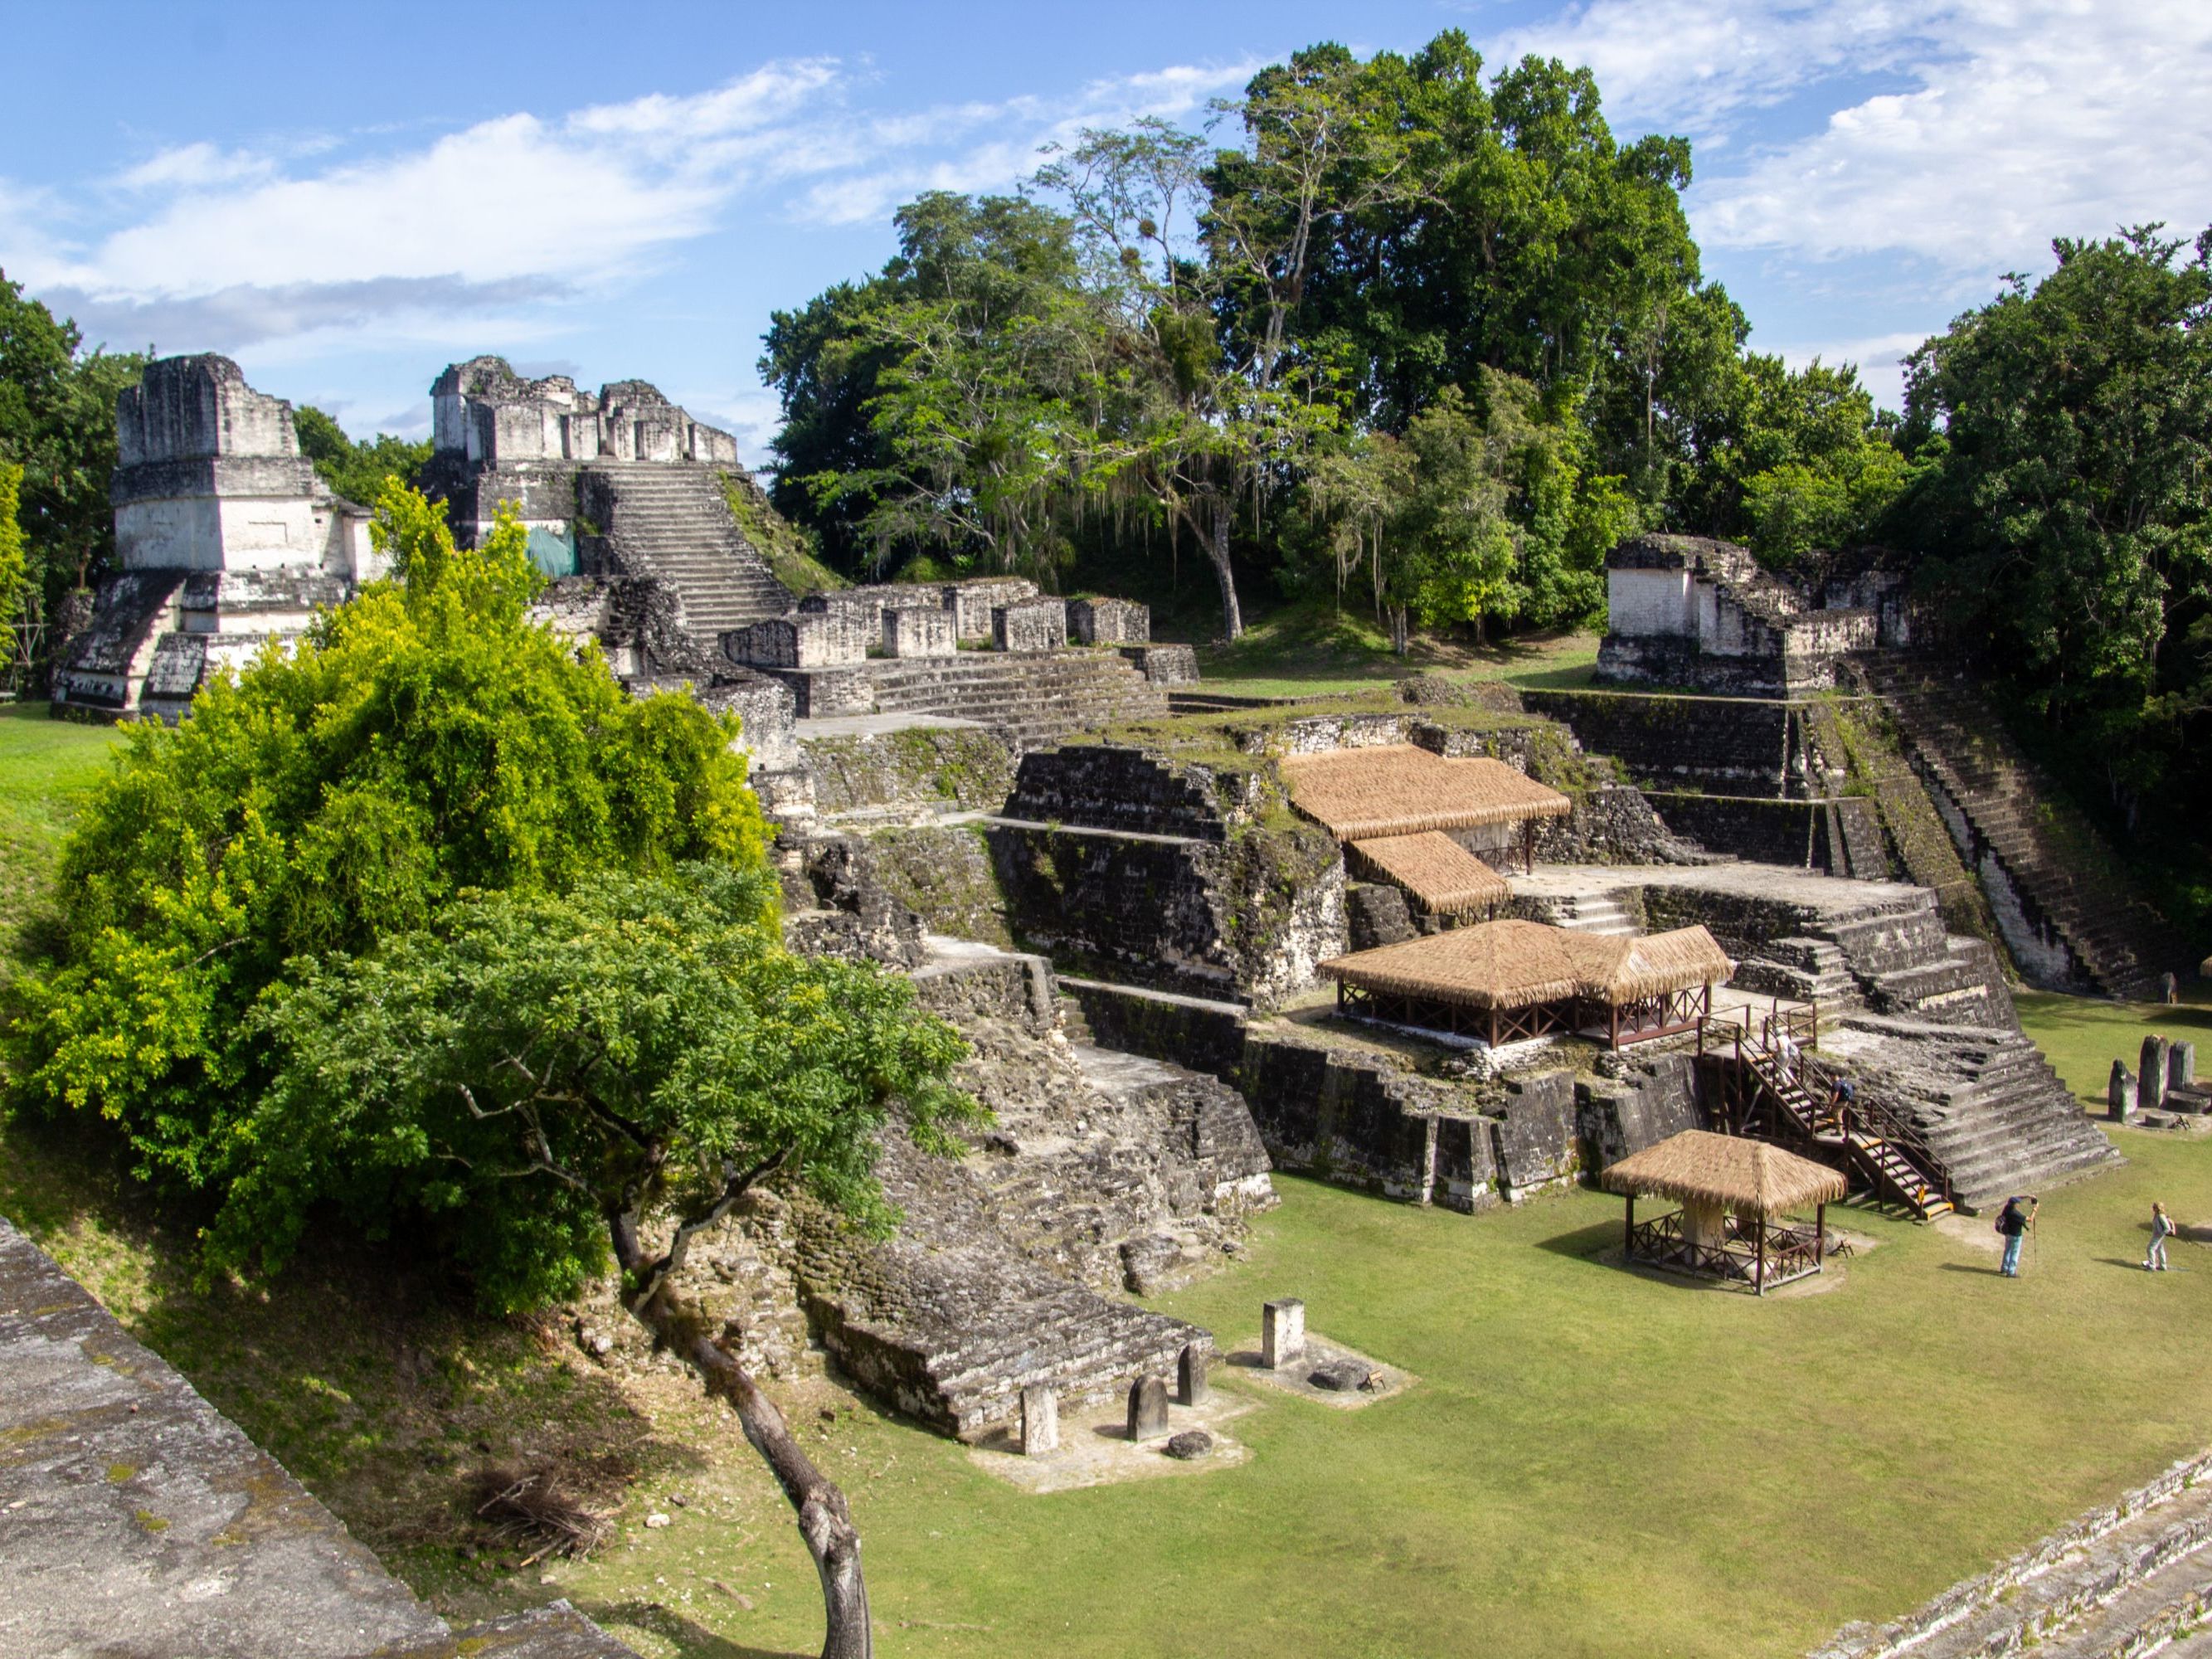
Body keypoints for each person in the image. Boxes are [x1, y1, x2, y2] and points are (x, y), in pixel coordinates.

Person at [1996, 1194, 2037, 1277]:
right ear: (2015, 1205)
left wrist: (2028, 1196)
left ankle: (2004, 1268)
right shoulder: (2016, 1214)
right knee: (2015, 1253)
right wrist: (2035, 1210)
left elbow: (2017, 1198)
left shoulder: (2006, 1209)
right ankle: (2011, 1272)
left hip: (2008, 1234)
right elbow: (2030, 1219)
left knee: (2007, 1251)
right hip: (2016, 1235)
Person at [2146, 1201, 2174, 1272]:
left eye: (2154, 1207)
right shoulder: (2157, 1215)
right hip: (2158, 1235)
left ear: (2158, 1208)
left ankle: (2152, 1266)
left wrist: (2161, 1233)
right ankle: (2163, 1266)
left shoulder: (2161, 1216)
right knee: (2160, 1249)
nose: (2153, 1208)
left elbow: (2167, 1228)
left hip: (2158, 1236)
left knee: (2150, 1248)